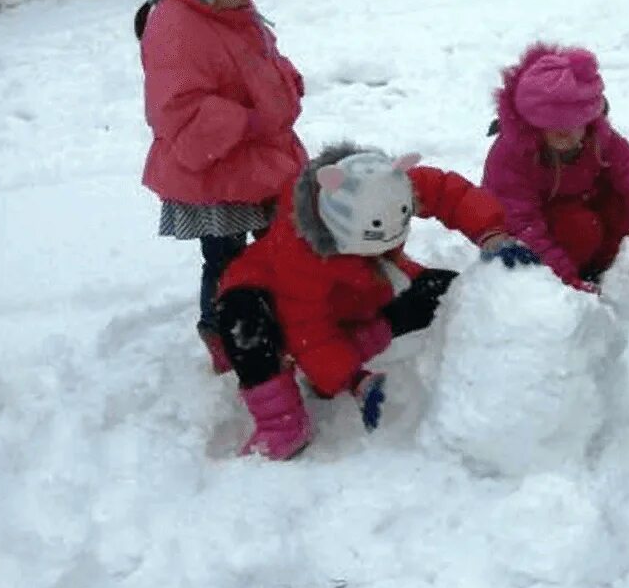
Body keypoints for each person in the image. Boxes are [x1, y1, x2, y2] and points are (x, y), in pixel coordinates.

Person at [214, 145, 534, 459]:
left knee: (449, 293)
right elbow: (306, 326)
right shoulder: (299, 251)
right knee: (244, 325)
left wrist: (490, 233)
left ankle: (357, 342)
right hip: (270, 299)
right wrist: (354, 380)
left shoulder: (382, 186)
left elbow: (448, 192)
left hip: (360, 289)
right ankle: (281, 425)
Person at [138, 0, 307, 375]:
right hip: (215, 173)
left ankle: (275, 314)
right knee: (225, 256)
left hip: (258, 161)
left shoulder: (228, 9)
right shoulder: (174, 30)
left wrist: (285, 78)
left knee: (280, 243)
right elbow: (176, 112)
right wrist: (248, 122)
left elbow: (258, 56)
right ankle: (223, 329)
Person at [482, 43, 629, 291]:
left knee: (623, 208)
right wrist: (562, 276)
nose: (569, 136)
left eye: (576, 125)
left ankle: (612, 265)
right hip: (544, 230)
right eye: (557, 130)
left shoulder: (597, 137)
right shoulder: (511, 157)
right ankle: (580, 272)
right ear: (534, 124)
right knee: (580, 228)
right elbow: (521, 224)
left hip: (583, 203)